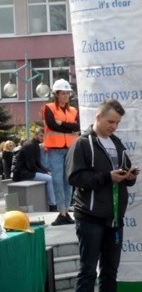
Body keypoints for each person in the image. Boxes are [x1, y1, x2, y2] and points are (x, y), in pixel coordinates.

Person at [66, 99, 138, 292]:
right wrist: (107, 177)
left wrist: (129, 176)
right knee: (88, 270)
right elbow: (75, 178)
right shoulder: (82, 143)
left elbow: (123, 172)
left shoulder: (116, 143)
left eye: (117, 123)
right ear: (97, 117)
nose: (114, 127)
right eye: (110, 122)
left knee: (110, 270)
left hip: (115, 216)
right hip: (89, 217)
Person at [42, 79, 80, 226]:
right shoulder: (49, 108)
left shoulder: (73, 110)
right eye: (63, 93)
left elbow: (78, 125)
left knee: (68, 181)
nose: (65, 96)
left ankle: (66, 213)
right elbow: (52, 125)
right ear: (56, 94)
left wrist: (62, 124)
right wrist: (69, 127)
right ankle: (62, 212)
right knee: (57, 180)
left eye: (67, 93)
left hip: (70, 149)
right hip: (55, 150)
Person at [11, 127, 57, 211]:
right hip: (23, 173)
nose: (43, 138)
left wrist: (47, 171)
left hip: (28, 171)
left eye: (44, 136)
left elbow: (38, 164)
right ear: (35, 135)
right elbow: (31, 166)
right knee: (50, 179)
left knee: (51, 176)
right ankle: (53, 205)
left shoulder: (35, 145)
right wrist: (45, 173)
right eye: (41, 136)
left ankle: (54, 203)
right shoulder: (30, 146)